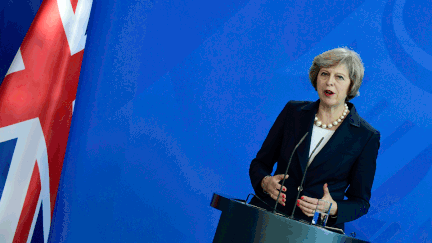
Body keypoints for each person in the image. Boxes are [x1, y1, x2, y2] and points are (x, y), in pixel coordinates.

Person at [249, 47, 380, 231]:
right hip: (267, 219)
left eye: (339, 77)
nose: (329, 82)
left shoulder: (365, 136)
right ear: (315, 78)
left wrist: (333, 208)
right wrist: (265, 182)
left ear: (352, 84)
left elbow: (360, 202)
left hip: (315, 233)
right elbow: (259, 164)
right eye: (324, 74)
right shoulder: (292, 113)